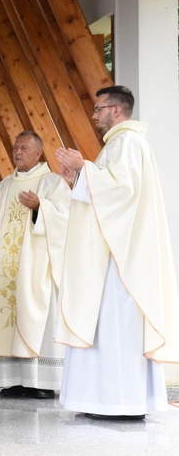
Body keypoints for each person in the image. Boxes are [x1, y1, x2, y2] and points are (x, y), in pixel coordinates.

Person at [55, 85, 179, 420]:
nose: (94, 115)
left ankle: (118, 402)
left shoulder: (127, 142)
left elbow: (122, 191)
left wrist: (85, 169)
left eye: (98, 109)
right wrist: (79, 176)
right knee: (108, 328)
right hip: (116, 253)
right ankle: (104, 399)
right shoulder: (120, 144)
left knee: (115, 328)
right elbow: (107, 193)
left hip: (122, 259)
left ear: (116, 110)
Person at [0, 131, 70, 399]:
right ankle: (13, 379)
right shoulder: (4, 186)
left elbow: (67, 217)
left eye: (24, 148)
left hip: (36, 268)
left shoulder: (52, 183)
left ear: (38, 153)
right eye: (16, 148)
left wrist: (41, 207)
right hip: (8, 272)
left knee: (35, 316)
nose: (17, 152)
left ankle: (40, 381)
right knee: (9, 317)